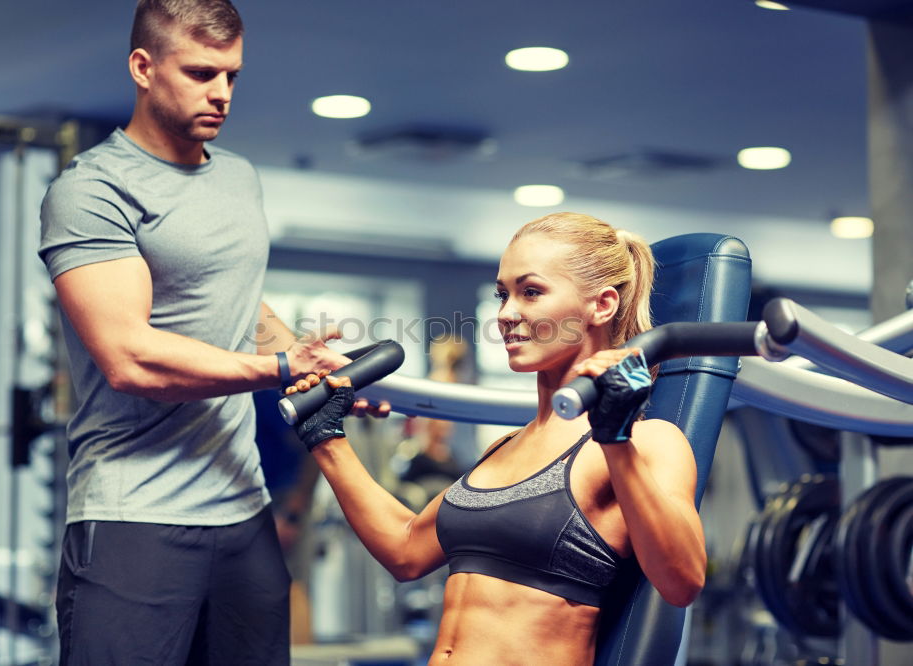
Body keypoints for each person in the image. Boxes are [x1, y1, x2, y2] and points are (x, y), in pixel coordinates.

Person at [38, 1, 378, 663]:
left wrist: (321, 373)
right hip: (135, 512)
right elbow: (130, 360)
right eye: (200, 73)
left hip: (242, 512)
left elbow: (243, 311)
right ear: (143, 67)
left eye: (232, 76)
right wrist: (282, 371)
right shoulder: (92, 190)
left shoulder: (237, 179)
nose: (221, 94)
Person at [287, 212, 707, 665]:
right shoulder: (504, 447)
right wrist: (327, 439)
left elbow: (682, 581)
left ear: (601, 306)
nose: (506, 314)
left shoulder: (650, 441)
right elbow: (406, 550)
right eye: (502, 294)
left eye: (531, 292)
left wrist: (615, 437)